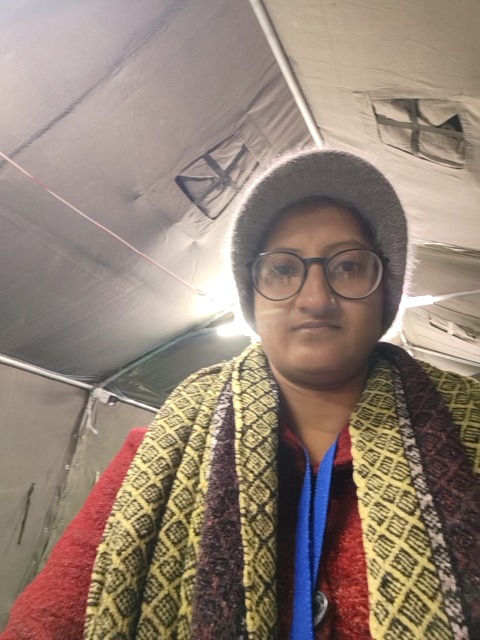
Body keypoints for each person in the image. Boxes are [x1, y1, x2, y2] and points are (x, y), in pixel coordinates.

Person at [2, 149, 479, 640]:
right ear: (251, 295)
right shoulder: (157, 455)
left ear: (385, 292)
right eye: (283, 269)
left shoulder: (468, 436)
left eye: (349, 266)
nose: (316, 298)